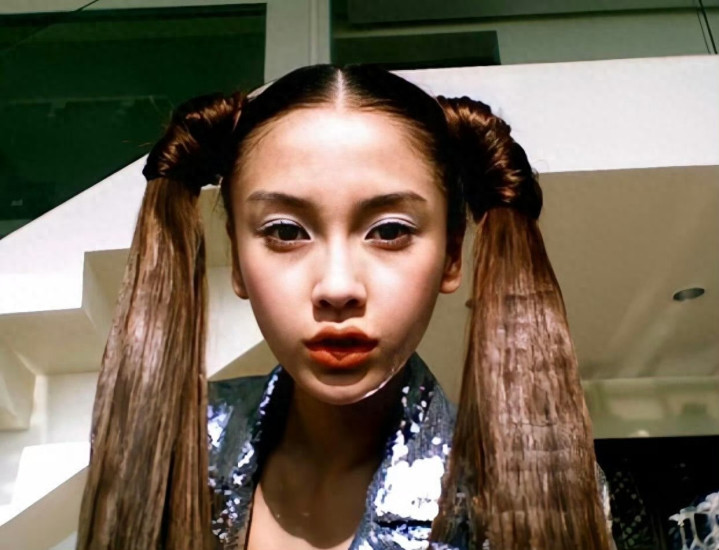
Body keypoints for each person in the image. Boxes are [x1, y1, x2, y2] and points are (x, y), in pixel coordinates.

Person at [75, 64, 615, 550]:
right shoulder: (171, 452)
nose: (337, 287)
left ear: (452, 256)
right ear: (237, 261)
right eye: (286, 231)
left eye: (390, 231)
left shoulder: (527, 491)